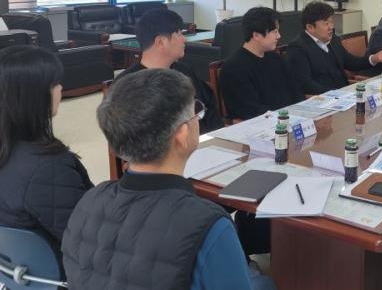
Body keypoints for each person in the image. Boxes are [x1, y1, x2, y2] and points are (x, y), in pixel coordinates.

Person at [62, 69, 275, 290]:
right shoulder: (208, 224)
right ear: (182, 134)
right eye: (195, 114)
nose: (198, 119)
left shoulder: (89, 201)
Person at [0, 46, 93, 255]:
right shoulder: (48, 168)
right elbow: (88, 240)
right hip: (62, 267)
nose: (61, 88)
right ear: (32, 95)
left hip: (16, 266)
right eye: (54, 83)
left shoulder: (12, 152)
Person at [116, 8, 223, 132]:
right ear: (160, 42)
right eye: (179, 34)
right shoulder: (127, 84)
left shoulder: (184, 71)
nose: (184, 39)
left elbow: (209, 108)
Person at [286, 1, 382, 94]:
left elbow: (351, 62)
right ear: (310, 27)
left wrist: (373, 58)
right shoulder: (298, 48)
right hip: (323, 100)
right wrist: (335, 94)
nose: (331, 27)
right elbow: (306, 84)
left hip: (344, 95)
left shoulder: (333, 40)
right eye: (326, 23)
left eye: (331, 22)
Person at [220, 7, 303, 120]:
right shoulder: (233, 68)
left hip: (291, 118)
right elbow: (250, 109)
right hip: (262, 124)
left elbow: (296, 91)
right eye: (274, 32)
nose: (279, 36)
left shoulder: (277, 59)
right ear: (256, 35)